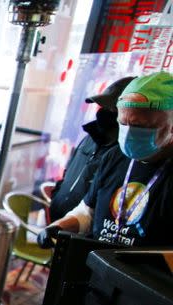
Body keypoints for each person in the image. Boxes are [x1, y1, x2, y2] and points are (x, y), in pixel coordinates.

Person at [39, 71, 173, 248]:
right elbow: (88, 212)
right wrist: (59, 227)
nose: (129, 133)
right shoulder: (114, 156)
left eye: (140, 126)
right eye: (123, 124)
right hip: (98, 268)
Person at [48, 77, 135, 222]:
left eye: (111, 109)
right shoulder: (88, 139)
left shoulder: (124, 154)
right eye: (102, 106)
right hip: (58, 221)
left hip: (82, 230)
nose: (103, 112)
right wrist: (57, 196)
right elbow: (69, 172)